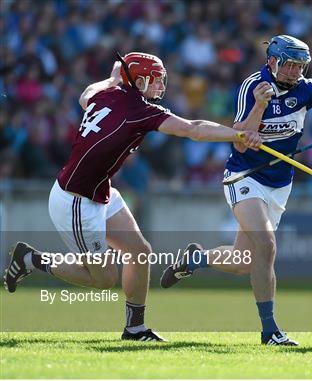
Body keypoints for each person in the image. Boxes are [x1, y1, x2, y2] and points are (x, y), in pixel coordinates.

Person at [3, 52, 261, 341]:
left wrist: (113, 78)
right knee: (103, 279)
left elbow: (85, 95)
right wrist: (237, 136)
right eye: (155, 80)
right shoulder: (138, 110)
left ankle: (135, 328)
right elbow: (193, 129)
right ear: (138, 81)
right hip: (76, 201)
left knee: (140, 252)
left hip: (100, 190)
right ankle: (32, 260)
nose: (160, 86)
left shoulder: (107, 93)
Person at [160, 35, 312, 346]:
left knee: (244, 260)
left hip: (280, 183)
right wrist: (257, 111)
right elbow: (238, 138)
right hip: (245, 175)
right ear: (272, 61)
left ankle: (194, 260)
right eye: (289, 65)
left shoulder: (308, 89)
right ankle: (270, 330)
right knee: (267, 244)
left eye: (301, 66)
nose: (295, 72)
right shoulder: (252, 86)